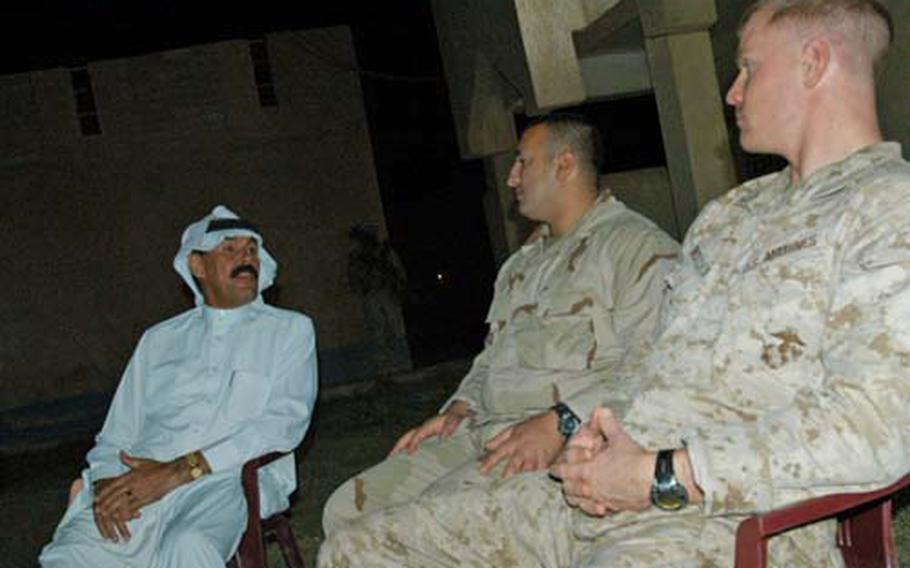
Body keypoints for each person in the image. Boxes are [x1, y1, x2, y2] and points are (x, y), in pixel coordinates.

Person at [317, 1, 910, 566]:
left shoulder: (887, 208)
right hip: (595, 498)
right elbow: (648, 364)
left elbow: (880, 426)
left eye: (749, 68)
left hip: (730, 521)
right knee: (358, 549)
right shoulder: (728, 219)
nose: (732, 90)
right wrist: (587, 435)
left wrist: (662, 474)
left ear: (814, 63)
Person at [321, 113, 680, 534]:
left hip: (567, 440)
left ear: (564, 165)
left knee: (425, 526)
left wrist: (560, 421)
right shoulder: (521, 265)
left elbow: (656, 366)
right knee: (346, 511)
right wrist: (459, 407)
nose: (511, 178)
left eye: (523, 162)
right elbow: (493, 357)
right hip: (487, 431)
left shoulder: (635, 249)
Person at [40, 205, 318, 567]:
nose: (245, 258)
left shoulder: (289, 330)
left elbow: (284, 422)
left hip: (226, 481)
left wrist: (179, 471)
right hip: (141, 481)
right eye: (229, 249)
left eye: (251, 249)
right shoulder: (159, 340)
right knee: (71, 553)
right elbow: (117, 433)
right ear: (197, 265)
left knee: (189, 545)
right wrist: (107, 485)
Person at [346, 222, 411, 372]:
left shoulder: (383, 251)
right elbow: (354, 277)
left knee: (396, 326)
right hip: (371, 294)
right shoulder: (358, 256)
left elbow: (398, 271)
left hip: (387, 292)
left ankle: (403, 362)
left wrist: (399, 287)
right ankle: (386, 365)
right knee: (378, 329)